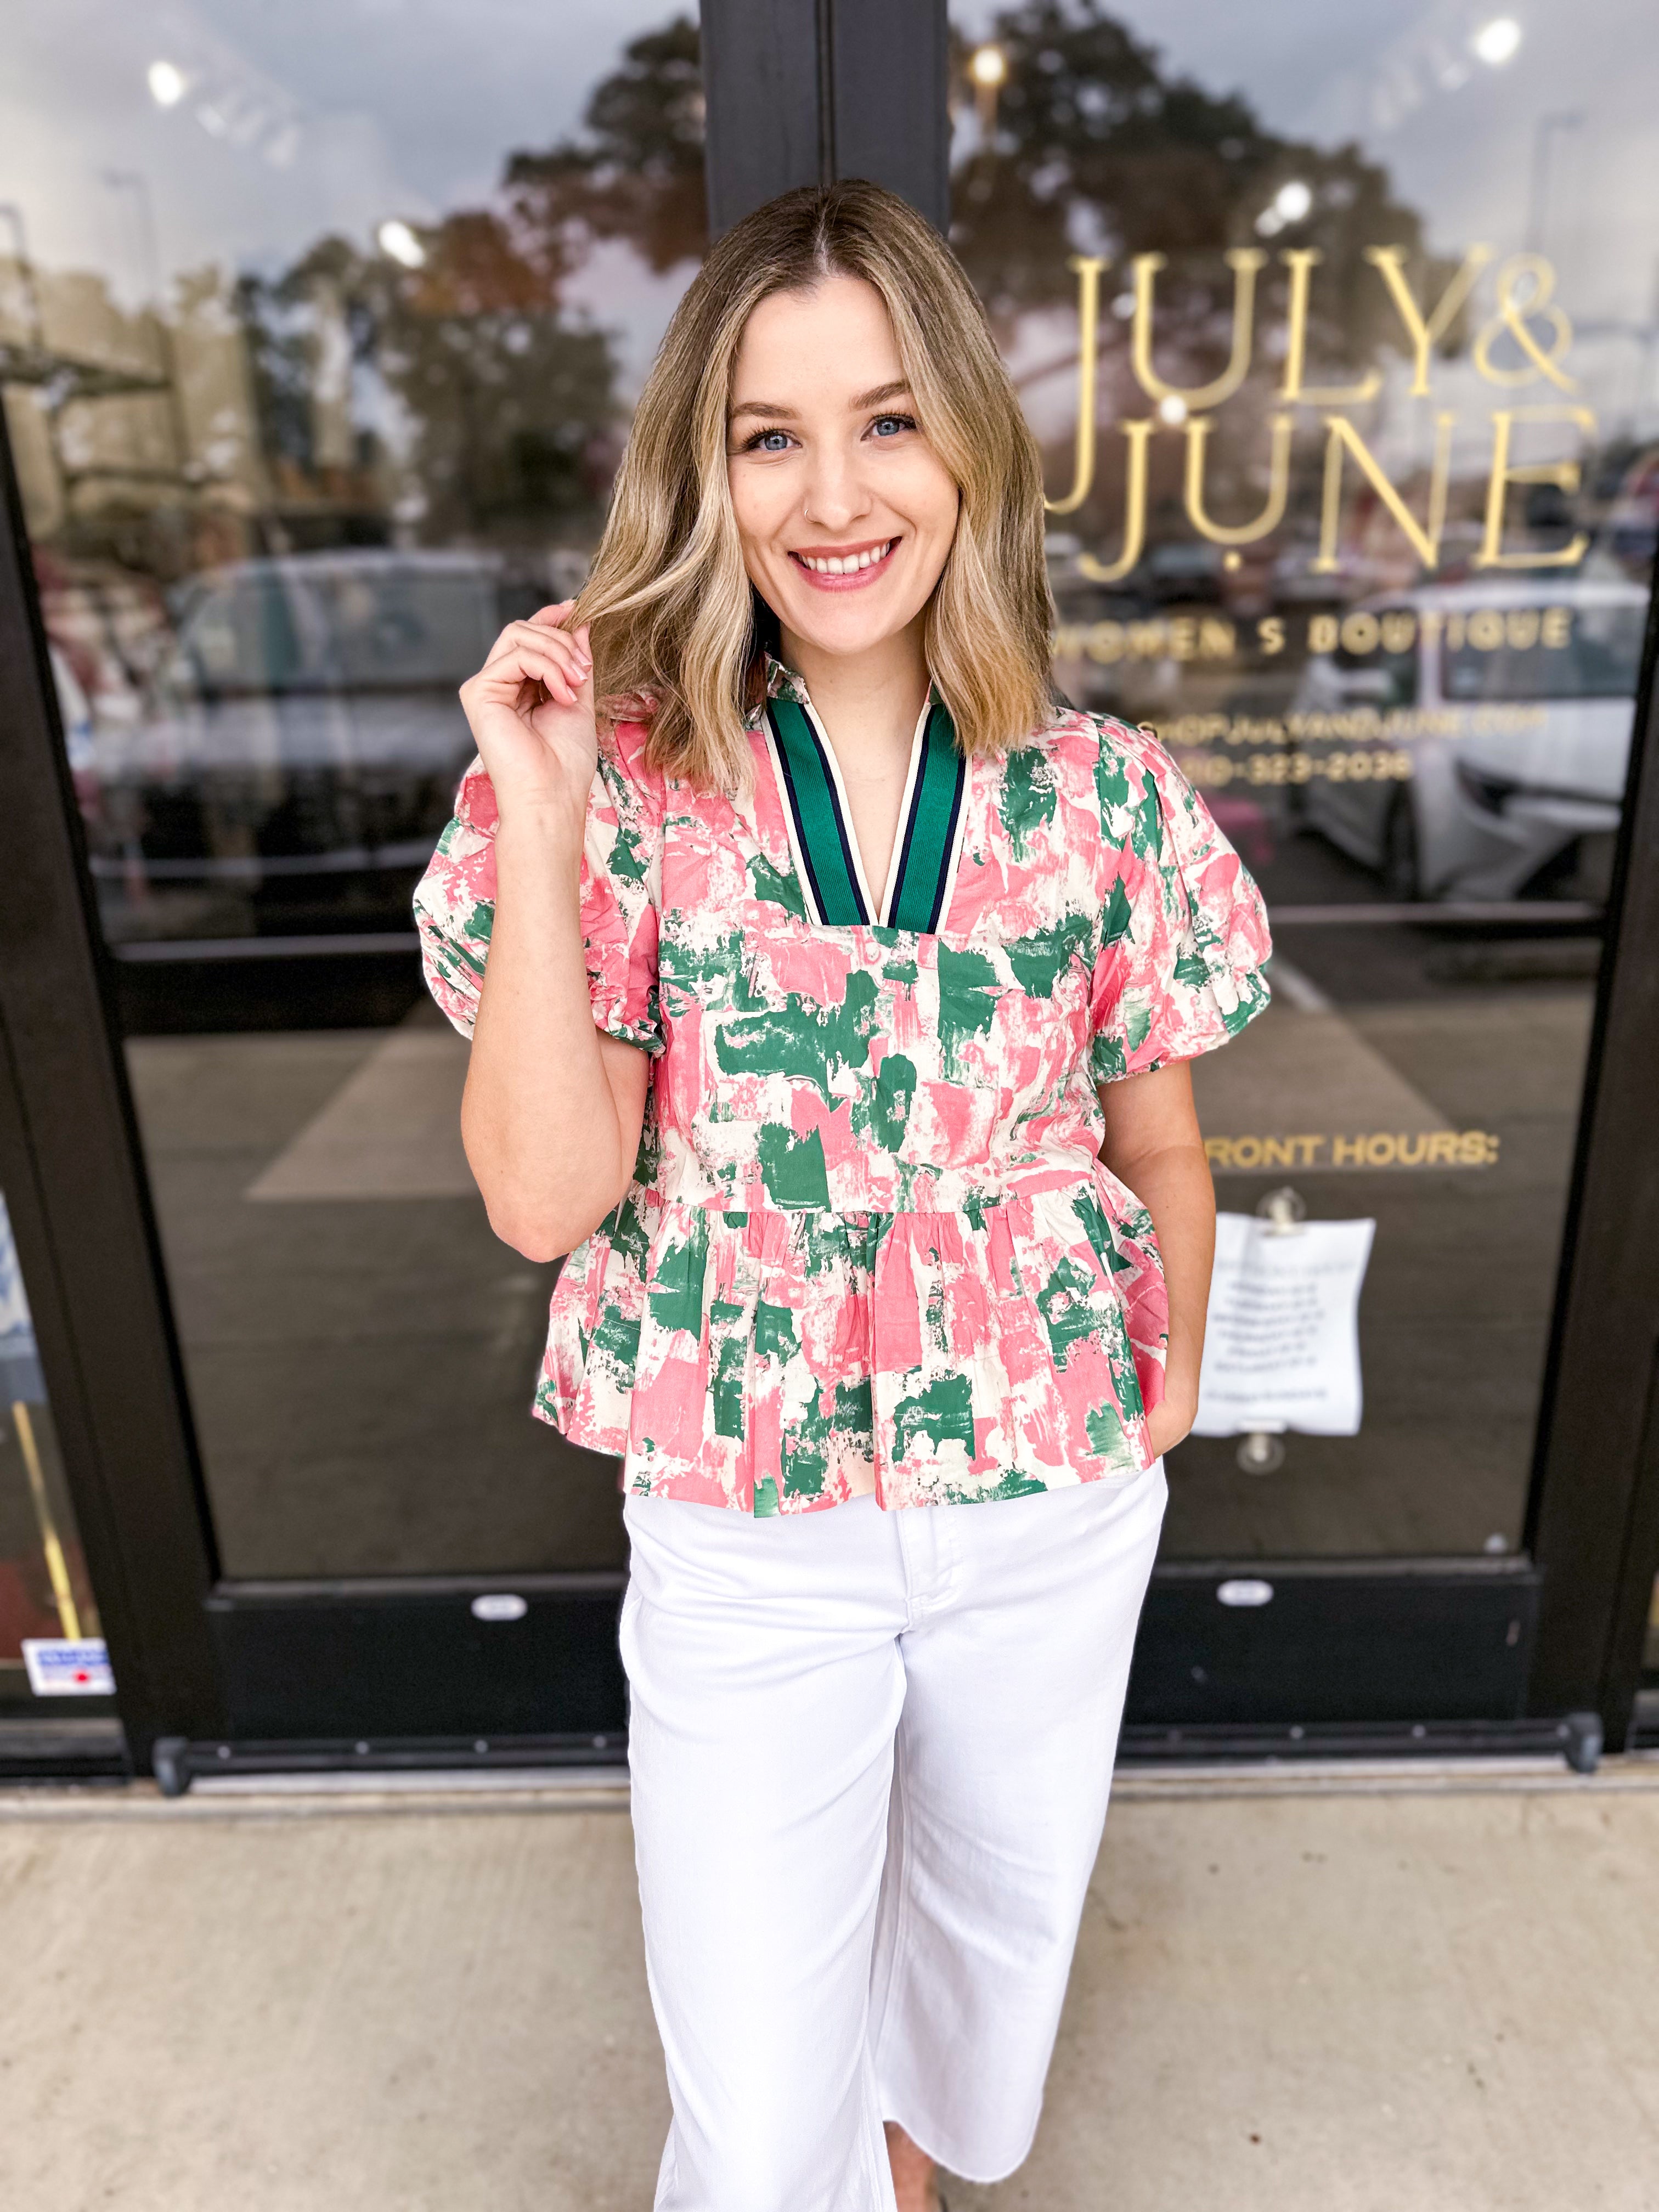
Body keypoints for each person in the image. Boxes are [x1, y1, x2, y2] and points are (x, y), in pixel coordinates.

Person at [415, 179, 1269, 2212]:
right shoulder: (620, 790)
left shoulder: (1104, 793)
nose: (834, 493)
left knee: (990, 1935)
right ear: (703, 472)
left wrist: (1165, 1379)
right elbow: (548, 1203)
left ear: (970, 438)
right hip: (747, 1511)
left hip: (1051, 1479)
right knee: (752, 2040)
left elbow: (1159, 1136)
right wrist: (541, 825)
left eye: (888, 419)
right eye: (768, 434)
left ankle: (910, 2172)